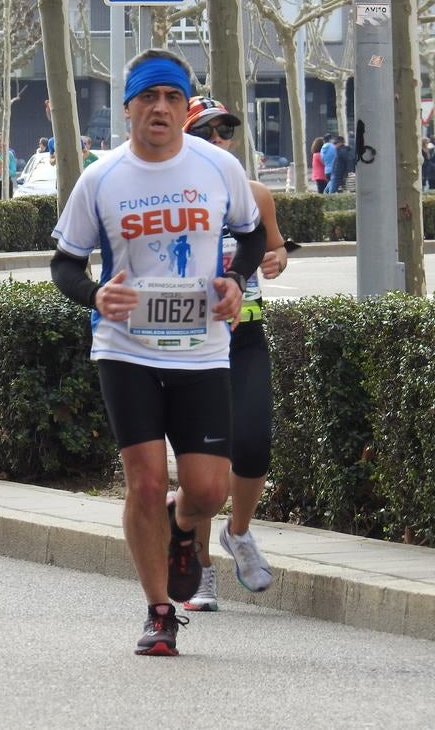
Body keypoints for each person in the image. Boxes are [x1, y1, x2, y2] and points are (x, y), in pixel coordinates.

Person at [48, 50, 265, 656]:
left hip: (202, 351)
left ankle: (181, 523)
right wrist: (95, 294)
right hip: (125, 350)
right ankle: (159, 612)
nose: (161, 109)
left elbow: (250, 237)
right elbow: (65, 262)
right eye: (149, 99)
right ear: (129, 110)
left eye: (172, 98)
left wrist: (236, 281)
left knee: (207, 491)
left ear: (184, 106)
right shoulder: (102, 177)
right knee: (143, 483)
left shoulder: (218, 168)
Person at [181, 96, 295, 613]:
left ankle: (239, 533)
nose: (218, 139)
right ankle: (201, 572)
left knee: (253, 445)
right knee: (203, 464)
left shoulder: (255, 194)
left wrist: (275, 260)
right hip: (191, 343)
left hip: (246, 337)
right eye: (206, 131)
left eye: (225, 130)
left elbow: (275, 248)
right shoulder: (171, 198)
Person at [0, 133, 17, 198]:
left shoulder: (10, 154)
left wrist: (4, 171)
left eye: (3, 140)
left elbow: (13, 172)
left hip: (7, 183)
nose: (1, 143)